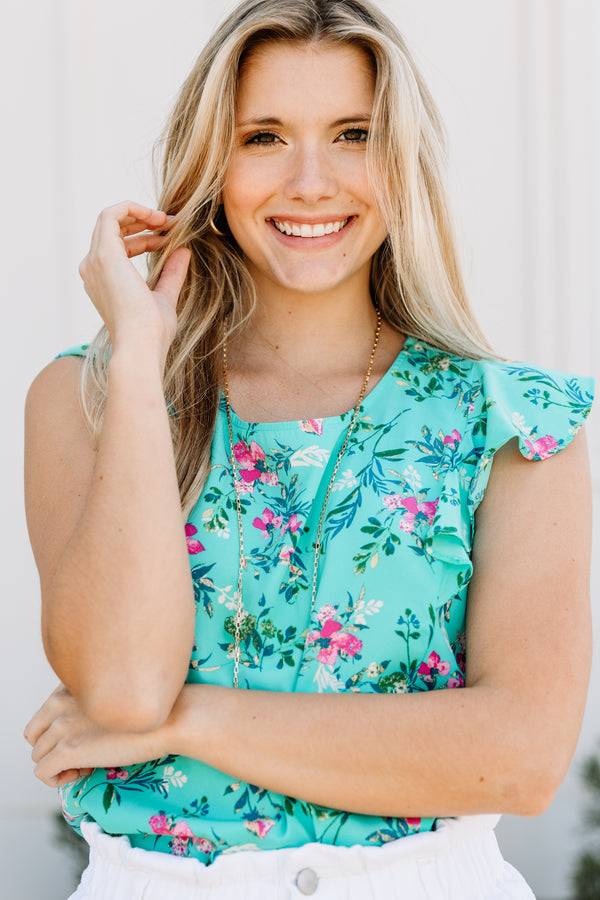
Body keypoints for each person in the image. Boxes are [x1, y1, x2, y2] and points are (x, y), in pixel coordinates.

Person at [23, 0, 593, 897]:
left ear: (403, 162)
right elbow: (125, 689)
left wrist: (190, 722)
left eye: (354, 134)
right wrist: (139, 362)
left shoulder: (513, 420)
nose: (311, 182)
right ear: (214, 162)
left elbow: (519, 758)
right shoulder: (88, 398)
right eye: (264, 138)